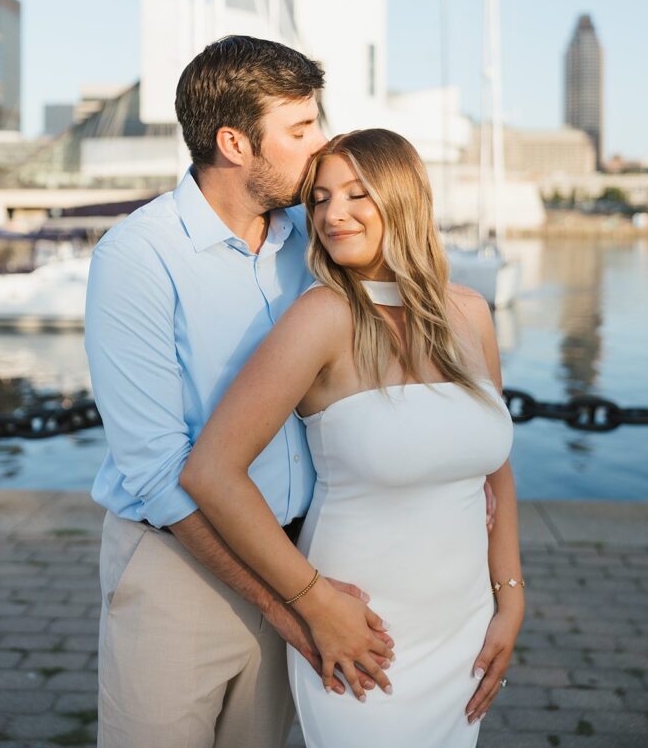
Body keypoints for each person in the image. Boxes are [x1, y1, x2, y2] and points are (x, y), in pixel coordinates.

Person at [85, 36, 398, 748]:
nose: (319, 145)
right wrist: (299, 608)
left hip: (301, 553)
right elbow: (159, 472)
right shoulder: (138, 257)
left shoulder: (313, 240)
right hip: (177, 568)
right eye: (298, 130)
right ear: (234, 142)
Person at [180, 128, 524, 748]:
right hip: (364, 635)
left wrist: (510, 601)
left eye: (357, 194)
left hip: (463, 627)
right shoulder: (323, 317)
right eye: (319, 198)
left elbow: (495, 472)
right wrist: (312, 603)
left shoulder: (471, 313)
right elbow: (210, 472)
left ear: (404, 198)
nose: (333, 214)